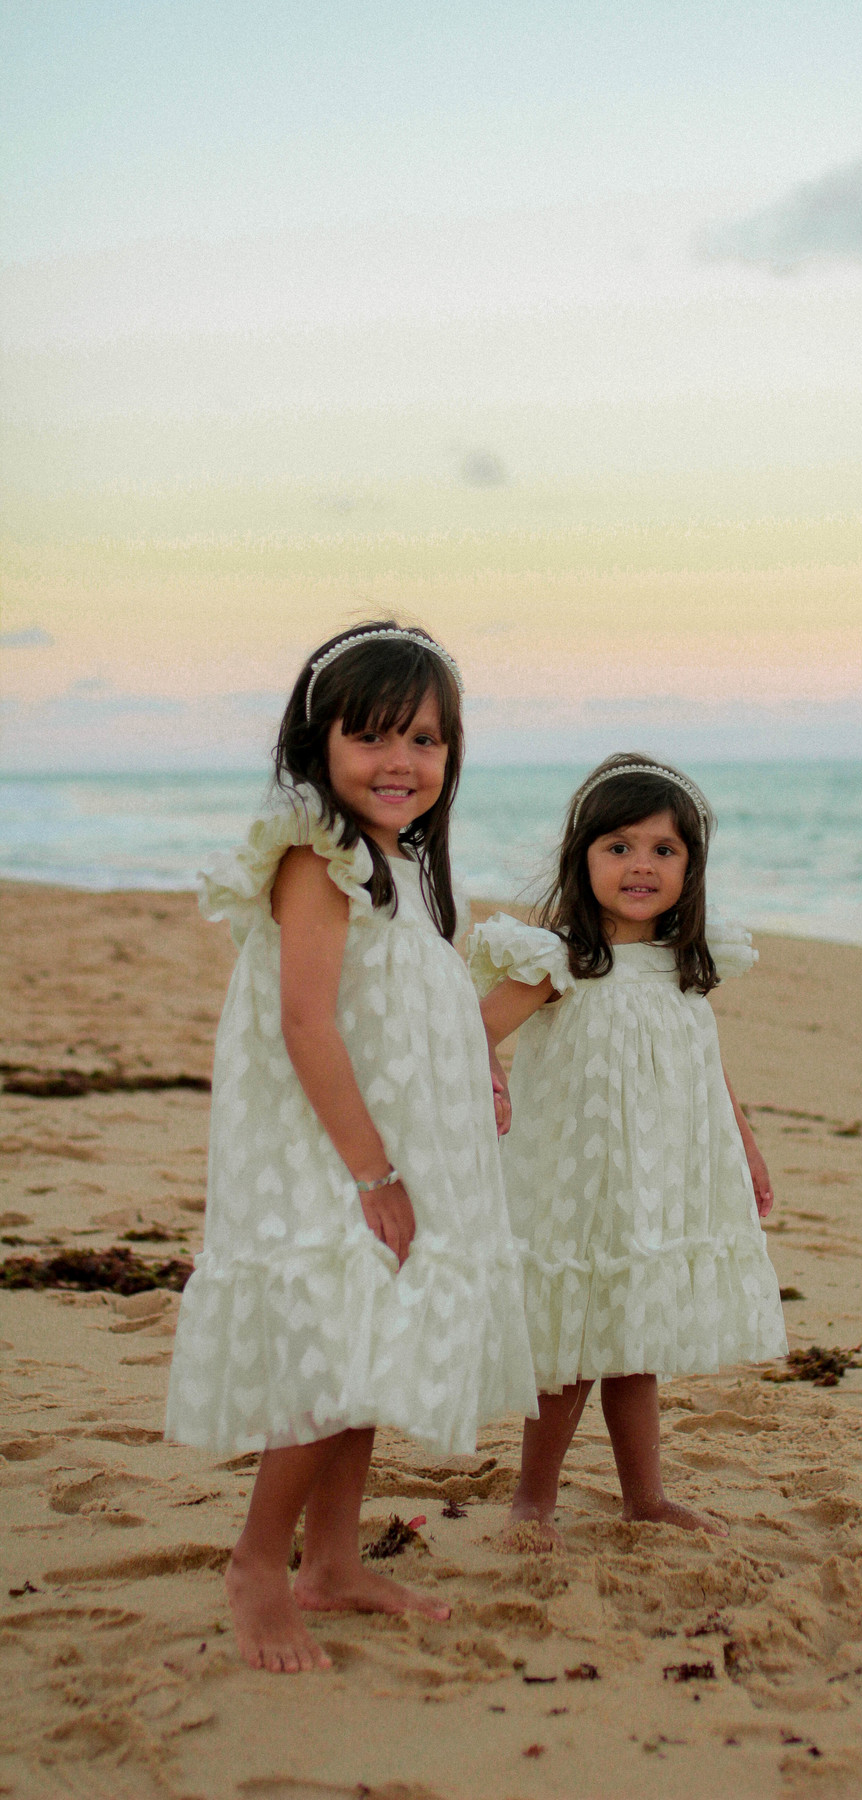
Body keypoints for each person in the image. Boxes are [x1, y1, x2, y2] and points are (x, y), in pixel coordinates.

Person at [165, 622, 536, 1673]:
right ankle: (255, 1562)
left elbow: (422, 1001)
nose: (400, 762)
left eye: (423, 740)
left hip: (402, 1132)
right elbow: (308, 1024)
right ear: (316, 743)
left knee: (378, 1335)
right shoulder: (316, 857)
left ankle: (332, 1560)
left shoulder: (407, 868)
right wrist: (373, 1174)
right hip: (327, 1143)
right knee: (339, 1342)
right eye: (371, 737)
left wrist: (484, 1067)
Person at [469, 752, 787, 1547]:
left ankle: (645, 1498)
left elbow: (706, 1064)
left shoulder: (686, 963)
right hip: (578, 1178)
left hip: (657, 1175)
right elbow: (470, 1032)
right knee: (575, 1343)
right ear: (584, 859)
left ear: (691, 866)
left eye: (663, 849)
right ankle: (532, 1501)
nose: (641, 865)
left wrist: (743, 1145)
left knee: (634, 1337)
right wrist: (492, 1082)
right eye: (619, 847)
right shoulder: (561, 960)